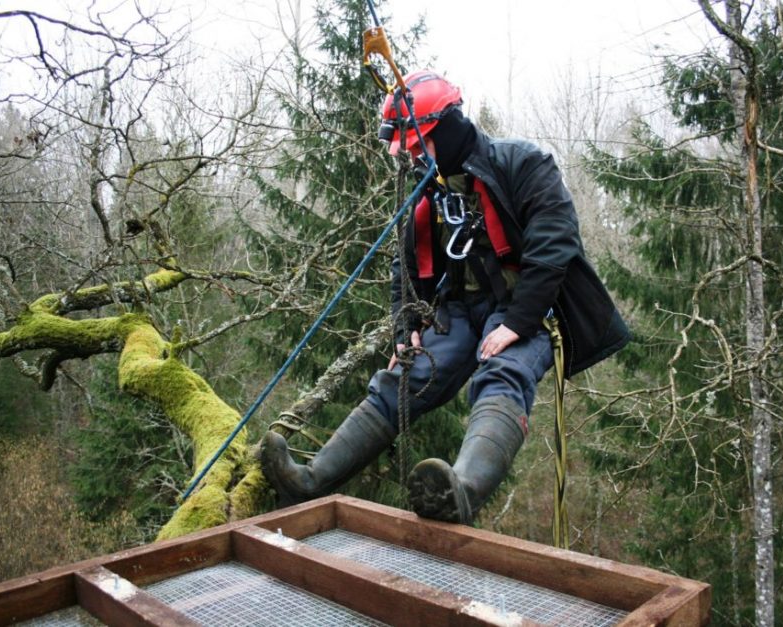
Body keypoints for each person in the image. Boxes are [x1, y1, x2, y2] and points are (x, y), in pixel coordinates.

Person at [260, 70, 629, 525]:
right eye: (409, 150)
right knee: (401, 379)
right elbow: (405, 268)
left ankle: (463, 491)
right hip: (457, 309)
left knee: (504, 371)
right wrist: (405, 330)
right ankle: (308, 481)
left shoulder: (523, 164)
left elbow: (555, 246)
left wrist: (517, 322)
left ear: (449, 125)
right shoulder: (426, 191)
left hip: (524, 307)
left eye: (421, 144)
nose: (415, 157)